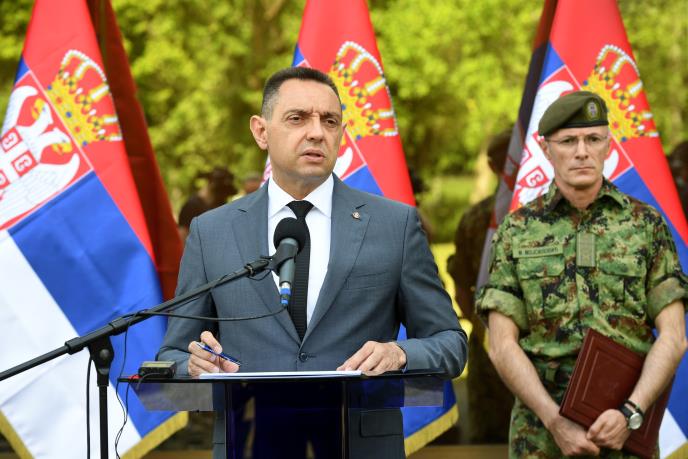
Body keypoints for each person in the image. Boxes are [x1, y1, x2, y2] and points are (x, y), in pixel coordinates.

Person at [158, 66, 467, 459]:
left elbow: (450, 343)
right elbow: (172, 355)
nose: (317, 132)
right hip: (250, 444)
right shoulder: (212, 231)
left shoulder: (394, 225)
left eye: (330, 121)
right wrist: (194, 364)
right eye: (297, 118)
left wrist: (400, 354)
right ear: (261, 131)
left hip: (358, 447)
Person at [476, 91, 687, 458]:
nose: (582, 152)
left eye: (593, 139)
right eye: (568, 141)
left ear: (609, 146)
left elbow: (674, 336)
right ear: (546, 149)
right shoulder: (517, 230)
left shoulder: (646, 225)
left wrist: (631, 412)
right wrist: (554, 421)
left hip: (624, 430)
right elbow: (500, 344)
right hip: (540, 435)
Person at [447, 129, 514, 443]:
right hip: (495, 340)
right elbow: (461, 281)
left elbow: (460, 285)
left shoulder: (475, 217)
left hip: (491, 335)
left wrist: (476, 322)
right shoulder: (478, 218)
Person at [177, 166, 237, 241]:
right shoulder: (191, 206)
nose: (223, 197)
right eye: (221, 192)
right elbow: (183, 237)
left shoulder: (219, 204)